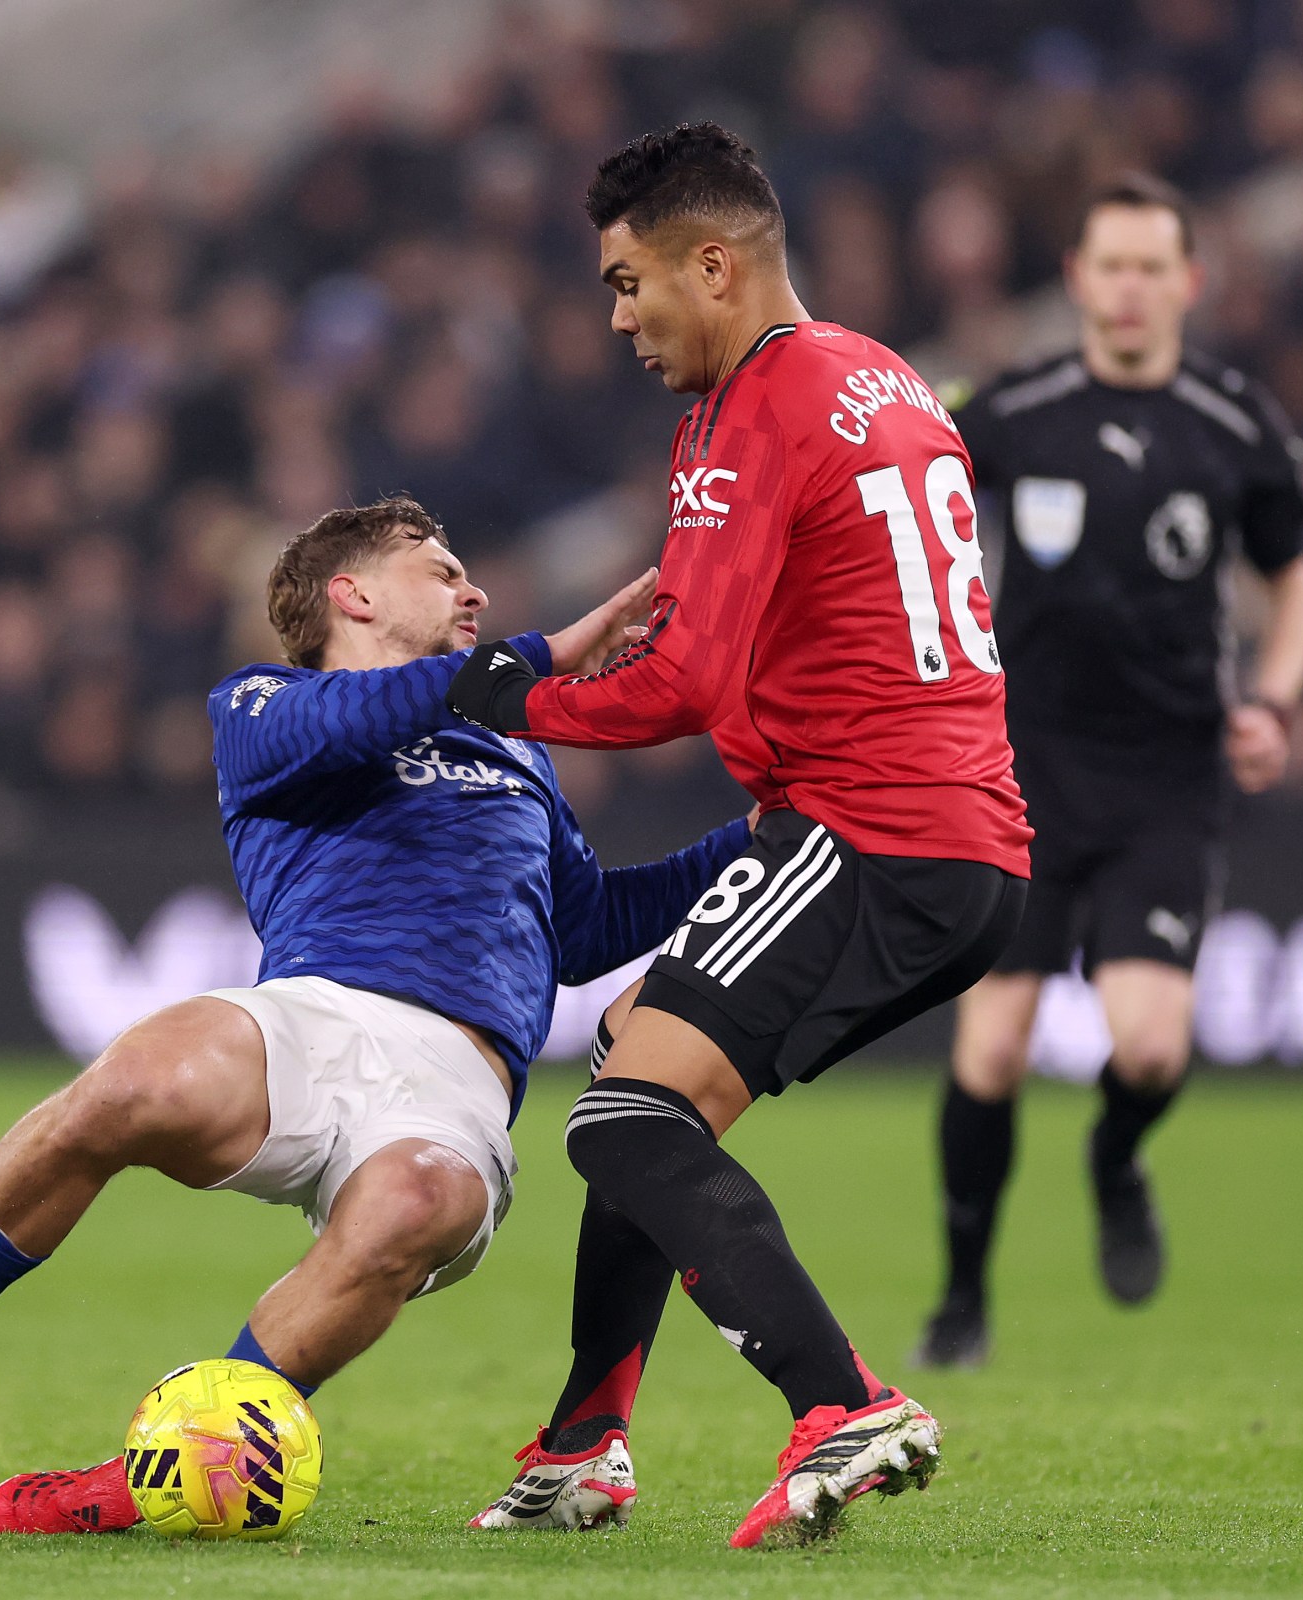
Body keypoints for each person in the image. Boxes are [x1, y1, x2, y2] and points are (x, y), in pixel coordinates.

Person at [0, 496, 750, 1533]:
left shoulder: (518, 754)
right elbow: (365, 717)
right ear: (351, 594)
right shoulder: (262, 703)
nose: (473, 589)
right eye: (441, 568)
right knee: (144, 1076)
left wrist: (750, 838)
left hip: (456, 1080)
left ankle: (163, 1472)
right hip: (306, 1023)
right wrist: (540, 656)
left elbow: (581, 929)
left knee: (418, 1203)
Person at [447, 124, 1030, 1549]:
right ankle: (585, 1439)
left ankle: (846, 1403)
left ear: (716, 263)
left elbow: (685, 680)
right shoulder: (878, 371)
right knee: (642, 1075)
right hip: (944, 827)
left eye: (629, 280)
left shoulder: (761, 403)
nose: (620, 317)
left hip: (868, 827)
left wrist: (504, 696)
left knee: (627, 1122)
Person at [915, 173, 1303, 1371]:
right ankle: (961, 1296)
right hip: (1022, 771)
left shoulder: (1237, 425)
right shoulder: (1013, 409)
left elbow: (1294, 577)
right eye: (1113, 265)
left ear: (1187, 284)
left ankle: (1115, 1156)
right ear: (1081, 279)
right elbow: (910, 499)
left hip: (1166, 776)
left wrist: (1280, 699)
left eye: (1155, 267)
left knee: (1149, 1047)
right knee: (989, 1049)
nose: (1133, 288)